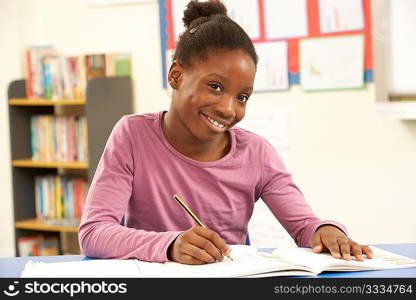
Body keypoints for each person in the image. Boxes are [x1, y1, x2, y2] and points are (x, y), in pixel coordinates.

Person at [79, 0, 373, 265]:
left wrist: (326, 230)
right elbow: (94, 233)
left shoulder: (256, 153)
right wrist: (169, 245)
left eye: (242, 97)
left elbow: (303, 225)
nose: (228, 109)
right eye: (215, 87)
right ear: (176, 75)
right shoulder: (132, 134)